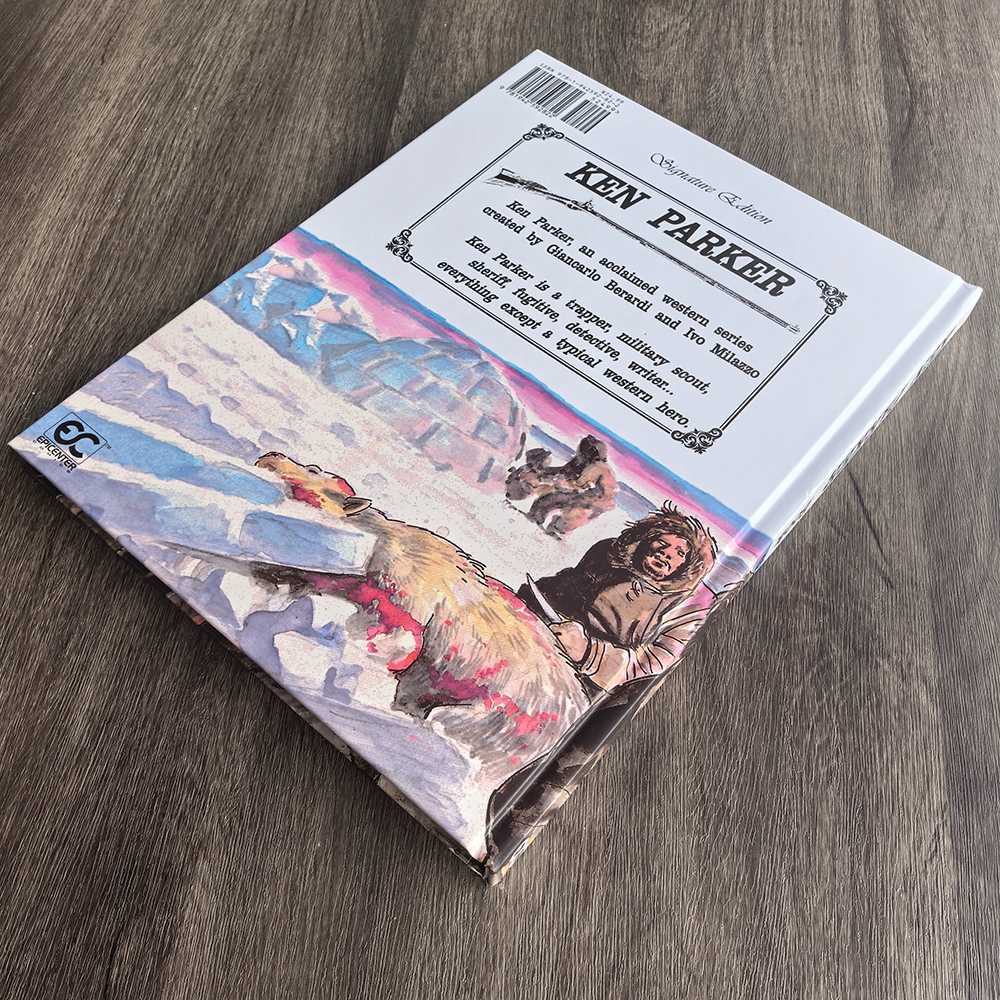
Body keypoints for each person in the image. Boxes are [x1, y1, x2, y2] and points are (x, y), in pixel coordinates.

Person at [519, 503, 717, 691]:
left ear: (687, 565)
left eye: (680, 552)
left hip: (588, 675)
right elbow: (564, 586)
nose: (666, 554)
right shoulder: (607, 554)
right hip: (548, 629)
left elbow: (652, 662)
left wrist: (589, 652)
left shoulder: (682, 607)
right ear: (647, 541)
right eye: (662, 543)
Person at [522, 435, 618, 538]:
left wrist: (559, 483)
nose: (579, 453)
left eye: (581, 451)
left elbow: (579, 485)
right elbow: (564, 472)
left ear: (587, 453)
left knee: (551, 499)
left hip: (589, 502)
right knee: (558, 503)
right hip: (599, 504)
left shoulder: (595, 467)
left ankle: (536, 518)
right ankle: (554, 527)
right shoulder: (602, 467)